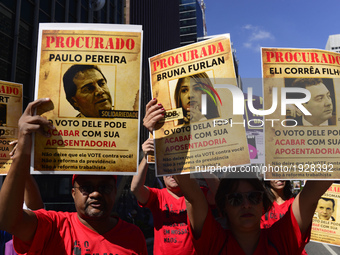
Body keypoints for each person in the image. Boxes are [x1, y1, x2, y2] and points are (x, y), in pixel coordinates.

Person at [146, 100, 333, 254]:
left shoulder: (281, 239)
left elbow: (319, 184)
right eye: (235, 199)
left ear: (264, 204)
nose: (246, 204)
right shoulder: (214, 242)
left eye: (253, 197)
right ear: (224, 206)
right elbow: (192, 195)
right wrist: (160, 131)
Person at [0, 98, 147, 255]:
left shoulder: (133, 235)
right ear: (73, 193)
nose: (96, 194)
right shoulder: (53, 226)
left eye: (104, 187)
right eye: (86, 187)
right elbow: (8, 221)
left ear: (114, 192)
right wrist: (23, 149)